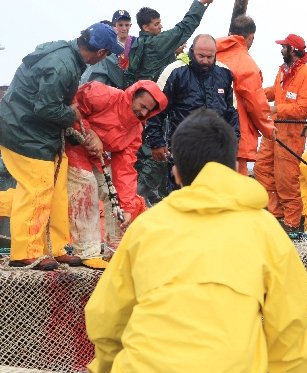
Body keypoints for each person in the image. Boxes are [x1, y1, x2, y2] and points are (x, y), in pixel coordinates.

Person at [74, 108, 307, 373]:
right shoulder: (266, 231)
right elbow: (290, 327)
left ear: (176, 173)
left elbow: (107, 314)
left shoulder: (147, 228)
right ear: (233, 168)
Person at [0, 23, 122, 271]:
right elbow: (44, 108)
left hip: (38, 133)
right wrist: (70, 113)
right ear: (100, 53)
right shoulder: (63, 65)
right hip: (23, 133)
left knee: (57, 190)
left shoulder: (69, 55)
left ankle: (53, 247)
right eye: (108, 53)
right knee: (38, 188)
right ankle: (27, 252)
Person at [66, 80, 167, 269]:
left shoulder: (135, 130)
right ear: (132, 95)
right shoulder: (101, 94)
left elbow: (125, 170)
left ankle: (115, 249)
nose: (144, 113)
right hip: (71, 148)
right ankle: (86, 251)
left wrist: (127, 208)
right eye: (142, 106)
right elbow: (71, 108)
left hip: (97, 159)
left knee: (118, 201)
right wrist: (90, 133)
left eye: (149, 110)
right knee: (85, 186)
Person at [146, 34, 239, 194]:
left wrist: (233, 142)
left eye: (210, 57)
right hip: (182, 148)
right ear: (192, 51)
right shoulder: (174, 71)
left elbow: (232, 111)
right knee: (182, 195)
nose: (205, 60)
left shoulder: (224, 73)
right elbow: (155, 109)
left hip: (217, 148)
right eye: (201, 56)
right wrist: (156, 142)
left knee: (215, 195)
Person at [253, 33, 307, 234]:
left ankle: (292, 224)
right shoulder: (283, 71)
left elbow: (304, 110)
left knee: (286, 179)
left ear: (293, 50)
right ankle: (276, 215)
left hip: (291, 136)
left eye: (284, 47)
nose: (281, 50)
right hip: (273, 131)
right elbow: (276, 90)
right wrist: (255, 92)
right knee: (261, 169)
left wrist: (277, 109)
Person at [216, 15, 276, 175]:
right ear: (251, 37)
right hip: (234, 136)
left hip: (204, 133)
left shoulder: (209, 55)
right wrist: (269, 128)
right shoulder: (247, 64)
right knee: (235, 191)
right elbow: (255, 102)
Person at [124, 0, 214, 86]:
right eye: (156, 24)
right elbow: (184, 27)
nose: (161, 26)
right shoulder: (156, 42)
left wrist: (173, 51)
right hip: (159, 92)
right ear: (146, 27)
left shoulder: (138, 43)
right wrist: (201, 3)